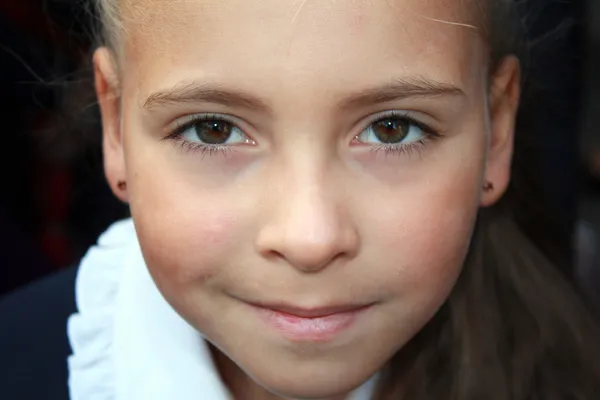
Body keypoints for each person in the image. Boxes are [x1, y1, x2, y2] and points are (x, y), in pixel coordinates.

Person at [1, 0, 599, 399]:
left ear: (497, 129)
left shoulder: (562, 373)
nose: (309, 238)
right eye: (214, 129)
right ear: (115, 127)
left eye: (393, 128)